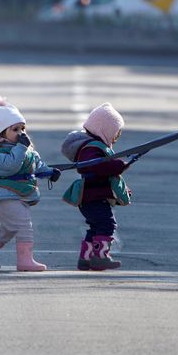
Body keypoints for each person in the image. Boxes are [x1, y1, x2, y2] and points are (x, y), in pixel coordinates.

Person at [0, 96, 60, 271]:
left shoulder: (27, 150)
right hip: (6, 196)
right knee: (23, 226)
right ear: (3, 132)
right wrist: (21, 148)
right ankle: (25, 260)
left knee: (7, 230)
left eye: (23, 128)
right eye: (15, 129)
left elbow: (37, 165)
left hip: (18, 195)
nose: (20, 133)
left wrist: (49, 172)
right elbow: (10, 167)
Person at [61, 103, 132, 271]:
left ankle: (85, 258)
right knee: (107, 225)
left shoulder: (94, 147)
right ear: (104, 129)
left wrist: (122, 189)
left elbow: (108, 175)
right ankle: (100, 256)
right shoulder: (91, 148)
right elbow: (95, 167)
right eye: (116, 132)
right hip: (93, 197)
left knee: (96, 227)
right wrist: (117, 166)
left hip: (93, 196)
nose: (117, 137)